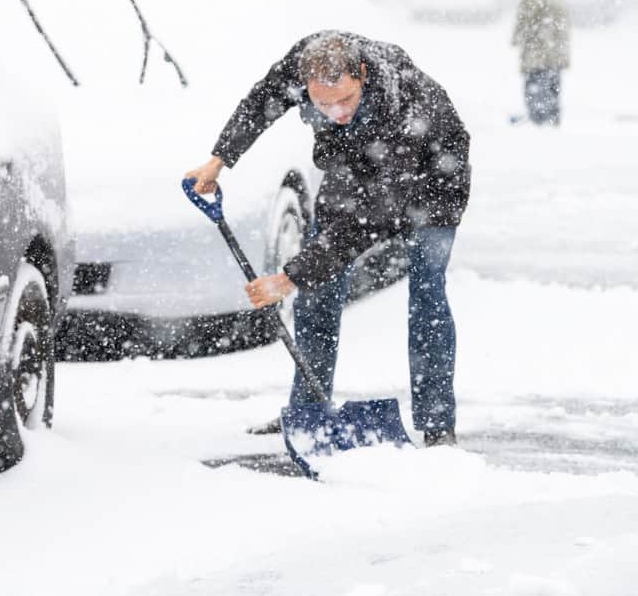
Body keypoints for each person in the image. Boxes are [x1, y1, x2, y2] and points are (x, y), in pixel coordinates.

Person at [185, 31, 470, 447]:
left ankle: (437, 423)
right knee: (317, 289)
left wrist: (287, 278)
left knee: (427, 292)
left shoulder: (403, 108)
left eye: (346, 101)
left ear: (363, 76)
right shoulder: (303, 62)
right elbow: (261, 102)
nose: (336, 112)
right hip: (355, 165)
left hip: (433, 179)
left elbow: (362, 225)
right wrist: (219, 159)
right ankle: (308, 410)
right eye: (323, 103)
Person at [512, 0, 570, 126]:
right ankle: (552, 122)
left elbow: (524, 22)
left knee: (535, 92)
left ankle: (538, 125)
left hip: (538, 54)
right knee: (552, 91)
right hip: (556, 53)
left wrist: (517, 38)